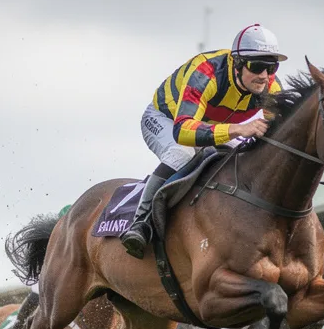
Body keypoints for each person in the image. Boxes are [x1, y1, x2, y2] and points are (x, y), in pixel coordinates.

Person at [118, 24, 285, 259]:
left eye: (271, 67)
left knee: (243, 161)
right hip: (166, 119)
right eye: (257, 66)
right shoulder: (206, 73)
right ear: (237, 64)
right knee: (183, 154)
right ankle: (141, 223)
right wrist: (238, 129)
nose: (264, 76)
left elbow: (279, 136)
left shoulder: (270, 87)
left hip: (209, 125)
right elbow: (183, 131)